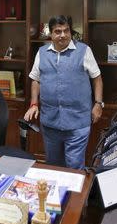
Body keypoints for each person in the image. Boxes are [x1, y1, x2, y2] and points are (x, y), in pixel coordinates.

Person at [24, 15, 103, 169]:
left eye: (66, 31)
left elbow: (97, 78)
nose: (63, 35)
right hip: (50, 122)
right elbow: (35, 79)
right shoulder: (42, 52)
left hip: (77, 122)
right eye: (58, 31)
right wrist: (34, 103)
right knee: (53, 167)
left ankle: (74, 194)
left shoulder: (84, 51)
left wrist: (98, 103)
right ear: (50, 34)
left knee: (74, 167)